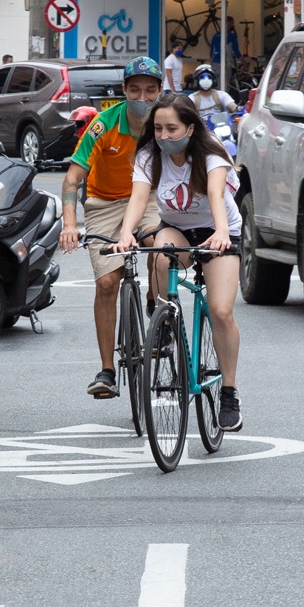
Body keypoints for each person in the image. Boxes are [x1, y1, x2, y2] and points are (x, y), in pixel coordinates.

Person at [116, 92, 244, 432]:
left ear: (190, 127)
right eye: (158, 129)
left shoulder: (210, 152)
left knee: (220, 310)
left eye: (172, 129)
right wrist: (126, 233)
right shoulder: (148, 155)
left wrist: (220, 232)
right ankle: (165, 324)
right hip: (178, 230)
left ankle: (229, 392)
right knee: (160, 253)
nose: (164, 136)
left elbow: (216, 195)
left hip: (220, 230)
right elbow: (139, 197)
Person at [59, 57, 164, 399]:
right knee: (107, 283)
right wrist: (70, 223)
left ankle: (154, 301)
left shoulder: (164, 125)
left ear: (160, 91)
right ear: (124, 91)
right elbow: (74, 178)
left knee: (159, 245)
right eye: (135, 90)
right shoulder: (103, 125)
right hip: (103, 204)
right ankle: (107, 370)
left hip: (146, 199)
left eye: (150, 90)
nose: (142, 97)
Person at [190, 63, 237, 130]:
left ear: (214, 80)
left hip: (221, 128)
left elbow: (232, 106)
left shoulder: (222, 95)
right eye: (202, 78)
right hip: (201, 131)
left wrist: (238, 108)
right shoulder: (192, 98)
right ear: (197, 81)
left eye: (209, 77)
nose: (206, 80)